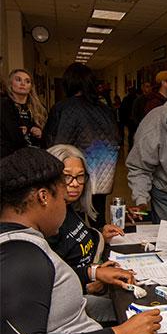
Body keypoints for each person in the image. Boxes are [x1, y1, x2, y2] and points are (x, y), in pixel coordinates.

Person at [0, 147, 161, 334]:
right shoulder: (22, 256)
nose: (65, 208)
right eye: (61, 199)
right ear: (44, 197)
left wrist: (91, 273)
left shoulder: (24, 242)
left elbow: (42, 288)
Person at [47, 144, 130, 323]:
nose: (75, 184)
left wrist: (100, 235)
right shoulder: (49, 221)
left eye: (79, 177)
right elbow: (51, 278)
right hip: (78, 298)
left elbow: (77, 240)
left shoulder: (69, 208)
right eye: (66, 177)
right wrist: (91, 278)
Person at [44, 62, 120, 230]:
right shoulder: (105, 109)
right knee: (98, 218)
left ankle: (80, 251)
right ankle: (100, 247)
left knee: (72, 219)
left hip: (74, 177)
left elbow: (56, 145)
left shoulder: (64, 107)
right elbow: (116, 139)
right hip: (102, 175)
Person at [1, 69, 47, 156]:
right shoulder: (4, 106)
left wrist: (41, 134)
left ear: (31, 87)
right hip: (10, 156)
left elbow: (49, 135)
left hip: (36, 155)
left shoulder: (39, 108)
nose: (23, 84)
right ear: (10, 84)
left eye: (27, 81)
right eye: (18, 80)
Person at [130, 81, 152, 149]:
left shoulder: (152, 99)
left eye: (150, 87)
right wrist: (139, 124)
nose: (149, 89)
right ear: (143, 88)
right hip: (141, 126)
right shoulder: (138, 100)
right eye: (147, 86)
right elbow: (135, 114)